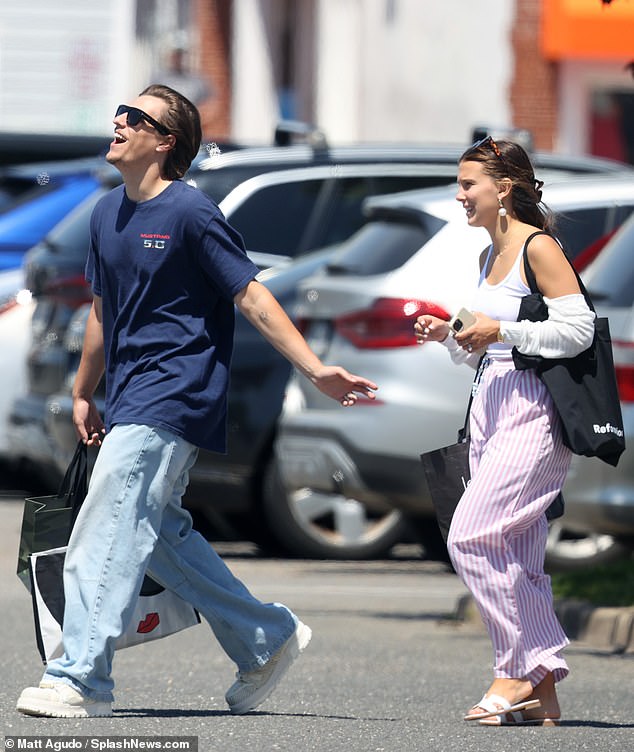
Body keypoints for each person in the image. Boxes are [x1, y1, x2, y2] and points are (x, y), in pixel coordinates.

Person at [16, 84, 378, 719]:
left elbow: (254, 296)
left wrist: (316, 369)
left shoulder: (191, 212)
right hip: (127, 397)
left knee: (107, 528)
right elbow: (102, 310)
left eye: (136, 118)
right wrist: (82, 390)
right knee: (158, 536)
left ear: (166, 141)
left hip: (175, 394)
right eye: (119, 114)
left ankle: (81, 678)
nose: (119, 123)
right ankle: (264, 638)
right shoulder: (106, 214)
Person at [414, 136, 595, 726]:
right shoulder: (486, 257)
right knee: (518, 555)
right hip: (492, 404)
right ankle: (542, 696)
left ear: (504, 188)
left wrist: (504, 332)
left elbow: (579, 331)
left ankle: (518, 667)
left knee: (471, 534)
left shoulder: (537, 247)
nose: (460, 194)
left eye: (469, 184)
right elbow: (482, 344)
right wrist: (449, 334)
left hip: (535, 411)